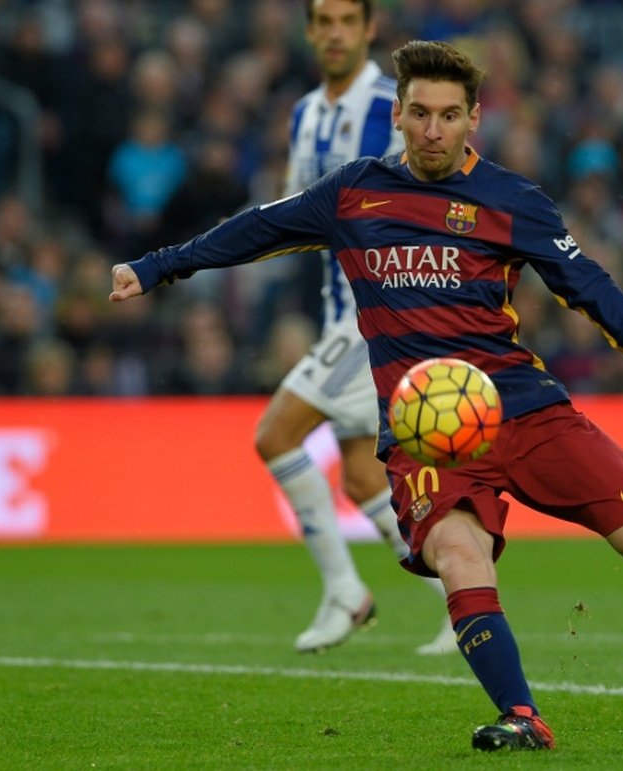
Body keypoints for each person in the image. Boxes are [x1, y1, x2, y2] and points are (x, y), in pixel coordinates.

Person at [110, 40, 623, 752]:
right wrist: (156, 266)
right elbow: (255, 228)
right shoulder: (352, 193)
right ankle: (523, 715)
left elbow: (585, 283)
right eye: (419, 113)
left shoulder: (512, 199)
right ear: (399, 116)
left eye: (449, 115)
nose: (434, 129)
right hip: (427, 432)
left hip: (523, 406)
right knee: (458, 554)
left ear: (474, 118)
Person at [268, 0, 459, 655]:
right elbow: (297, 213)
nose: (336, 32)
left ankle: (346, 590)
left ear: (370, 28)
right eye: (324, 20)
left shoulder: (393, 106)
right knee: (361, 477)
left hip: (377, 314)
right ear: (310, 30)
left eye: (348, 19)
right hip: (335, 311)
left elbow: (425, 195)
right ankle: (461, 599)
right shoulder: (303, 113)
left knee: (276, 435)